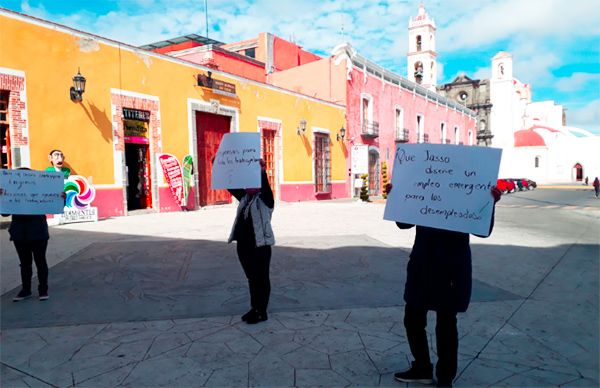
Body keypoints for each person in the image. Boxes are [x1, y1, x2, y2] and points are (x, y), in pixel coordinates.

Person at [388, 183, 501, 387]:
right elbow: (404, 224)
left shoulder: (468, 193)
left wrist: (489, 203)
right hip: (422, 263)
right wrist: (397, 197)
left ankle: (445, 378)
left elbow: (483, 232)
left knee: (446, 323)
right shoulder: (424, 189)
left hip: (451, 267)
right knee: (413, 318)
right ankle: (422, 367)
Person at [1, 168, 65, 302]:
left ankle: (43, 290)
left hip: (38, 232)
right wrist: (2, 198)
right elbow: (5, 214)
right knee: (25, 263)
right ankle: (26, 290)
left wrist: (61, 199)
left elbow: (56, 208)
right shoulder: (13, 195)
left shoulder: (41, 193)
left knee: (40, 261)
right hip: (19, 233)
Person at [227, 159, 275, 324]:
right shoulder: (245, 198)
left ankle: (261, 311)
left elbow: (266, 188)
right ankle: (254, 308)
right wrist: (220, 166)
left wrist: (262, 172)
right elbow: (230, 185)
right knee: (252, 278)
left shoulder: (265, 200)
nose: (248, 186)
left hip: (260, 246)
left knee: (261, 278)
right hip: (244, 246)